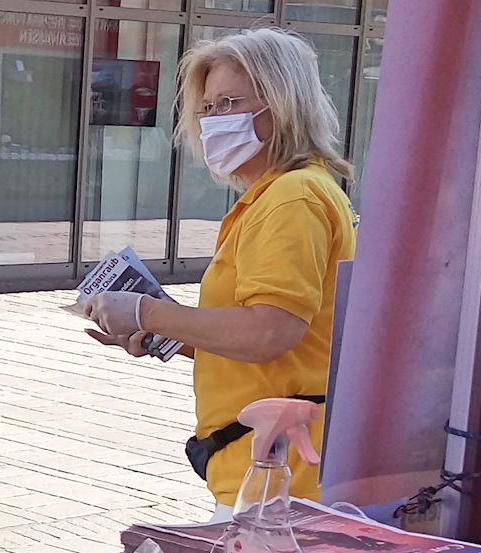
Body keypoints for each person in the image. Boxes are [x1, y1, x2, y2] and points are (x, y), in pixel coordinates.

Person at [82, 28, 358, 514]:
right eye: (207, 107)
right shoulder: (276, 195)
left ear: (282, 104)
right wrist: (170, 334)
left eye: (229, 103)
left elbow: (270, 332)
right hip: (265, 466)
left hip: (282, 477)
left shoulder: (291, 197)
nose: (213, 120)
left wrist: (147, 312)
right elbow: (271, 341)